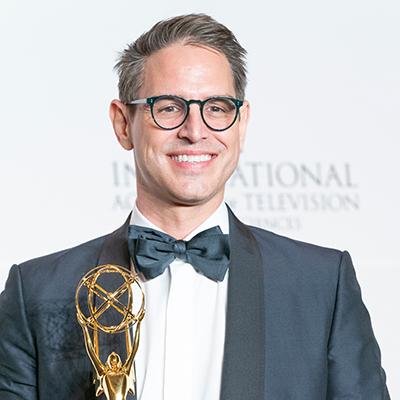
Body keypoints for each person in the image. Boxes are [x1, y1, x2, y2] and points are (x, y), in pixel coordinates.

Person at [0, 13, 390, 400]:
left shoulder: (321, 286)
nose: (195, 130)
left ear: (241, 123)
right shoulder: (37, 291)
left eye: (217, 107)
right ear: (123, 124)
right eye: (169, 107)